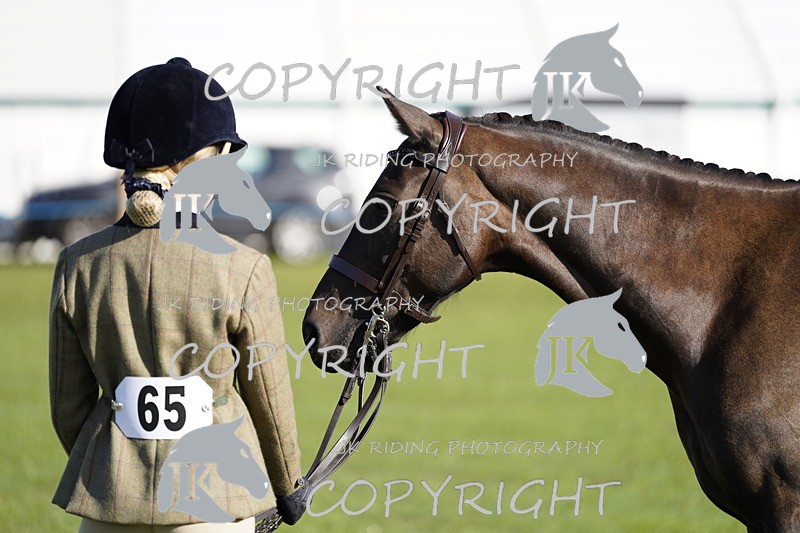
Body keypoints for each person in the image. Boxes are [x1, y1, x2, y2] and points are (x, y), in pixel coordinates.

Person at [49, 58, 307, 532]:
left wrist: (114, 468)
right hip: (213, 506)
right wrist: (289, 486)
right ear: (205, 159)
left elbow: (68, 407)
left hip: (108, 505)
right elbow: (270, 402)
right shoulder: (244, 268)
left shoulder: (77, 265)